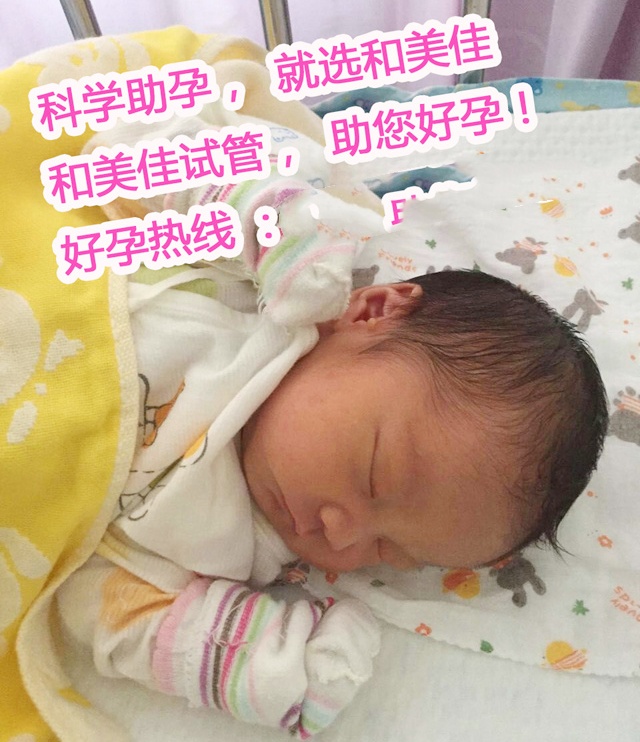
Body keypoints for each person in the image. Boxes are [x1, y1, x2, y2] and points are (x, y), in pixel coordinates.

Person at [55, 116, 608, 739]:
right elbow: (126, 155)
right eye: (373, 474)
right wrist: (272, 223)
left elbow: (97, 603)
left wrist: (259, 661)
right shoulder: (256, 291)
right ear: (372, 311)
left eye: (387, 551)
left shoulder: (232, 548)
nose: (341, 535)